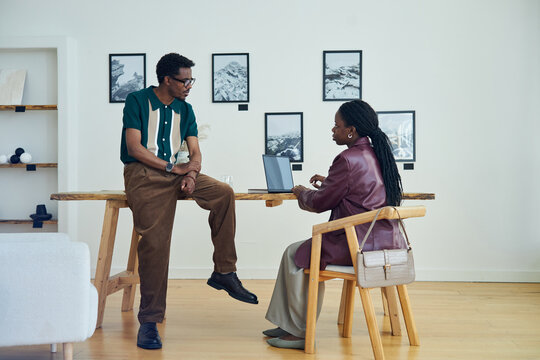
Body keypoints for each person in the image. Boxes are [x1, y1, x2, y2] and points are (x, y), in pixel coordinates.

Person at [120, 53, 258, 350]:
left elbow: (194, 152)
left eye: (191, 80)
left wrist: (191, 175)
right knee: (155, 242)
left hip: (178, 171)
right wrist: (172, 168)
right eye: (185, 80)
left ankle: (224, 272)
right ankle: (149, 321)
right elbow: (134, 147)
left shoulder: (186, 109)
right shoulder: (137, 100)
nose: (189, 85)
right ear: (167, 79)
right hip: (144, 173)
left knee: (223, 193)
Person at [263, 99, 405, 349]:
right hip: (381, 240)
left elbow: (319, 203)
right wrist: (331, 180)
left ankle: (299, 331)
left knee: (296, 255)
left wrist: (300, 191)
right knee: (294, 252)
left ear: (351, 130)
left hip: (355, 243)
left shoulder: (347, 158)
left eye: (336, 126)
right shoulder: (376, 153)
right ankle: (288, 323)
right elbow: (360, 186)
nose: (333, 130)